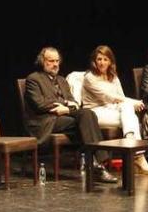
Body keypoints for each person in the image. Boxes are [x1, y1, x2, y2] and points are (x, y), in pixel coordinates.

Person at [24, 47, 116, 182]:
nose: (55, 64)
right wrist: (63, 105)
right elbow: (40, 104)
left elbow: (73, 101)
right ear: (42, 61)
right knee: (86, 120)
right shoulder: (33, 79)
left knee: (88, 114)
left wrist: (66, 107)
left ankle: (96, 163)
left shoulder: (61, 80)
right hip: (45, 121)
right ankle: (99, 164)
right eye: (51, 61)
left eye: (57, 61)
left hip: (63, 117)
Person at [81, 45, 148, 174]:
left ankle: (131, 144)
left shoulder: (113, 77)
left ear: (110, 62)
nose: (102, 62)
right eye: (99, 59)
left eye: (105, 59)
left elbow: (121, 98)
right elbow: (110, 97)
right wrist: (133, 102)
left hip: (112, 109)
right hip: (94, 112)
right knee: (130, 113)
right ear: (94, 61)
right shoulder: (89, 78)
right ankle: (138, 155)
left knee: (127, 109)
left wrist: (128, 103)